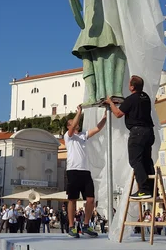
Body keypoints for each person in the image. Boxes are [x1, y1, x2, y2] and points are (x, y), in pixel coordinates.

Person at [106, 75, 155, 199]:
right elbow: (134, 104)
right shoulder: (146, 97)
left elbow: (118, 114)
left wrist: (110, 103)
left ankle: (143, 189)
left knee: (135, 161)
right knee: (147, 160)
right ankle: (153, 189)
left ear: (132, 87)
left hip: (137, 133)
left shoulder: (131, 99)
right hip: (149, 131)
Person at [63, 105, 106, 238]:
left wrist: (105, 117)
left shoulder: (83, 135)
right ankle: (71, 226)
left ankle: (86, 225)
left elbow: (97, 129)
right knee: (72, 199)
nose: (76, 124)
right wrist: (79, 113)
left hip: (85, 171)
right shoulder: (68, 136)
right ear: (69, 126)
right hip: (73, 170)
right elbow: (73, 125)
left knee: (91, 199)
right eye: (72, 123)